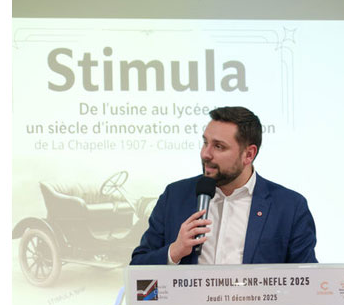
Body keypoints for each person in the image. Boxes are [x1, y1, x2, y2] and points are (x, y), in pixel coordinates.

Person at [130, 106, 317, 265]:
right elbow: (138, 270)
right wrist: (174, 251)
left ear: (249, 155)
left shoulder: (289, 207)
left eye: (219, 146)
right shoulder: (175, 196)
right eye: (205, 143)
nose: (206, 154)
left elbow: (307, 281)